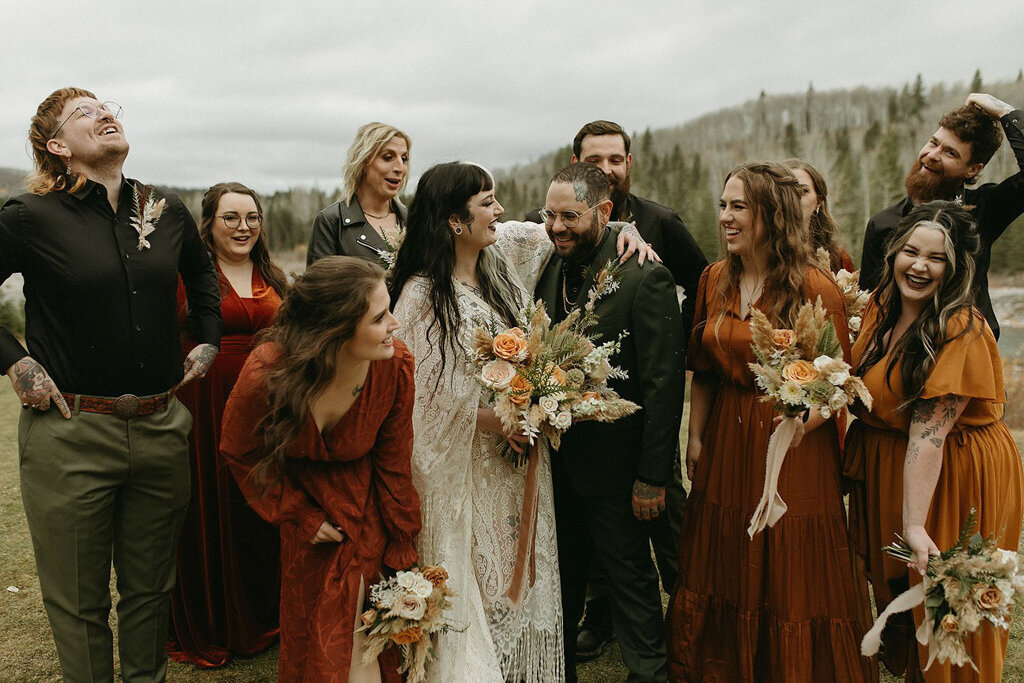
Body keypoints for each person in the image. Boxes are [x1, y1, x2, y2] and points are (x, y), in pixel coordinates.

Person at [389, 161, 653, 682]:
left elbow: (566, 225)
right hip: (467, 465)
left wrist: (624, 228)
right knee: (480, 583)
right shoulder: (421, 294)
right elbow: (418, 398)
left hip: (517, 459)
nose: (502, 211)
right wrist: (497, 420)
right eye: (487, 202)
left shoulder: (500, 256)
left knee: (520, 574)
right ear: (455, 222)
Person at [0, 87, 222, 681]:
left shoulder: (166, 209)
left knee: (151, 592)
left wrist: (207, 338)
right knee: (79, 601)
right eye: (84, 113)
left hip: (161, 427)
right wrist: (16, 361)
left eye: (108, 108)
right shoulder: (29, 216)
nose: (105, 114)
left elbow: (203, 281)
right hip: (70, 435)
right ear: (57, 147)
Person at [665, 162, 870, 681]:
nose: (725, 218)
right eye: (723, 205)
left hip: (793, 445)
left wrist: (803, 426)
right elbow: (705, 369)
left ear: (771, 215)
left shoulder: (813, 286)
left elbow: (841, 381)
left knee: (789, 560)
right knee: (727, 550)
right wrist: (694, 437)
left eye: (739, 207)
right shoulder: (714, 278)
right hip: (726, 439)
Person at [528, 119, 706, 661]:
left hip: (622, 464)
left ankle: (654, 669)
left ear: (604, 213)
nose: (557, 227)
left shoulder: (645, 271)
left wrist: (652, 476)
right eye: (550, 216)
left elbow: (662, 382)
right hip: (558, 466)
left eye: (568, 217)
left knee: (634, 576)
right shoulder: (545, 264)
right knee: (564, 580)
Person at [845, 201, 1024, 681]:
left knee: (950, 606)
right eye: (911, 251)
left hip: (953, 470)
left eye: (936, 258)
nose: (919, 266)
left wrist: (916, 525)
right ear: (894, 253)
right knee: (902, 603)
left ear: (956, 267)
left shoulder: (959, 326)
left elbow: (930, 434)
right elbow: (852, 386)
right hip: (890, 463)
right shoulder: (881, 308)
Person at [220, 256, 421, 682]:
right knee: (312, 630)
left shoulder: (395, 366)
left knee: (365, 634)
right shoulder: (266, 373)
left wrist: (403, 541)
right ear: (336, 328)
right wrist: (298, 514)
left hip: (365, 505)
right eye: (380, 317)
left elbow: (394, 461)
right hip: (304, 509)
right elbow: (240, 450)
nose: (396, 325)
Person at [168, 182, 288, 667]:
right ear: (209, 224)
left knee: (259, 509)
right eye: (231, 218)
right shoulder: (190, 276)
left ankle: (263, 615)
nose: (243, 227)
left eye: (252, 218)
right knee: (209, 506)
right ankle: (214, 622)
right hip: (207, 402)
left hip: (268, 407)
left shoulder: (274, 274)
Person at [859, 94, 1024, 339]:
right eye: (933, 142)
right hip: (900, 357)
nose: (932, 154)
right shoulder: (882, 223)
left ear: (973, 169)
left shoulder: (984, 209)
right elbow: (869, 304)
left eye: (950, 153)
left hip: (969, 351)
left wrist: (1003, 111)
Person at [307, 122, 411, 265]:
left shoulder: (414, 222)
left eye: (404, 159)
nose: (400, 168)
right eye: (388, 157)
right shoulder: (332, 222)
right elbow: (318, 285)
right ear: (363, 162)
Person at [782, 158, 855, 273]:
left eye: (803, 190)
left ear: (819, 201)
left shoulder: (838, 258)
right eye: (787, 191)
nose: (795, 198)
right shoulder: (760, 255)